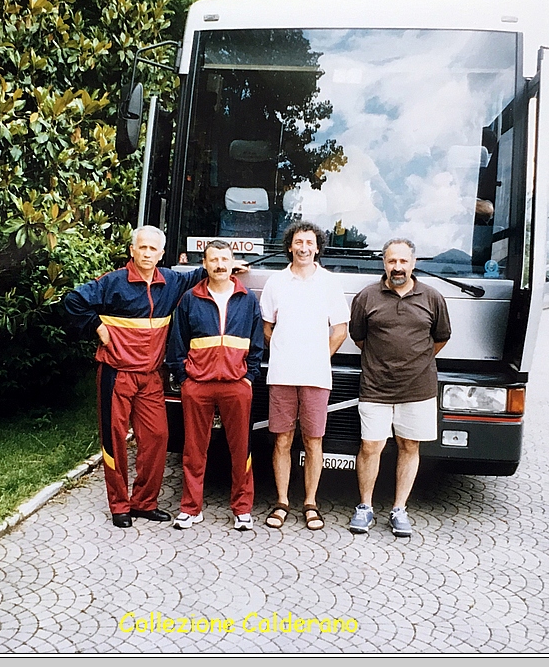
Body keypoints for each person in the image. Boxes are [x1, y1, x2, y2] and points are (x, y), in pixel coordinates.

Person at [62, 226, 208, 528]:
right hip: (116, 374)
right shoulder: (113, 282)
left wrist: (226, 264)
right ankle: (119, 506)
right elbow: (72, 301)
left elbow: (199, 275)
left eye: (153, 249)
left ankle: (144, 503)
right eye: (142, 248)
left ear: (161, 254)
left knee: (157, 438)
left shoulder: (171, 281)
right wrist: (95, 326)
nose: (146, 253)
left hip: (151, 377)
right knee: (114, 441)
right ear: (132, 250)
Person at [347, 238, 451, 537]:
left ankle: (398, 509)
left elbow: (440, 338)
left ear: (413, 263)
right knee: (370, 447)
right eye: (392, 261)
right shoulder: (367, 297)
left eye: (403, 261)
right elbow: (359, 337)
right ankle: (365, 507)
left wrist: (415, 360)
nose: (398, 267)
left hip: (418, 389)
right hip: (375, 387)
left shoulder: (432, 298)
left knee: (409, 446)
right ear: (384, 263)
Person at [165, 240, 264, 530]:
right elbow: (177, 344)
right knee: (194, 450)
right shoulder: (190, 299)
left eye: (224, 259)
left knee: (240, 448)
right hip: (198, 385)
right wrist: (185, 379)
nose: (220, 265)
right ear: (204, 264)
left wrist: (249, 376)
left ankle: (242, 509)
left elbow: (257, 343)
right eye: (214, 260)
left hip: (236, 384)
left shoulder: (246, 298)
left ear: (232, 262)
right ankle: (190, 508)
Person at [259, 221, 350, 531]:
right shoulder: (275, 282)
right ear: (290, 246)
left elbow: (340, 330)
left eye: (309, 242)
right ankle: (282, 501)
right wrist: (286, 353)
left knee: (314, 441)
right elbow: (267, 327)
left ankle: (310, 502)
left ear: (317, 248)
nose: (304, 247)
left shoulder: (329, 283)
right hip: (282, 375)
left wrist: (316, 357)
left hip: (316, 377)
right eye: (299, 242)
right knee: (282, 440)